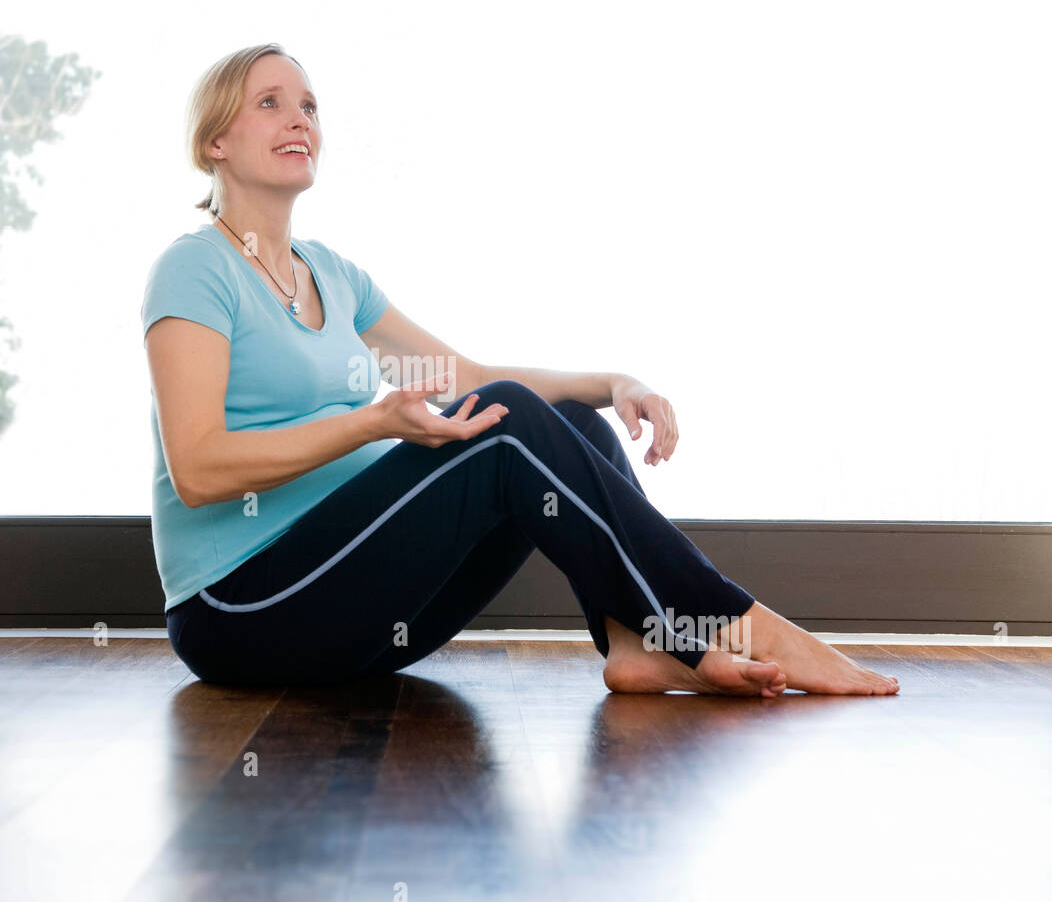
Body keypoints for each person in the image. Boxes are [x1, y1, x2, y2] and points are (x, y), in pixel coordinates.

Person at [142, 43, 899, 697]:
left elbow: (462, 375)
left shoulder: (333, 275)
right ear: (214, 141)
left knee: (558, 419)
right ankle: (733, 622)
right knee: (506, 427)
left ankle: (636, 642)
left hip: (363, 615)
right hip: (244, 612)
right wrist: (369, 423)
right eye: (270, 103)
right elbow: (200, 470)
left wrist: (610, 383)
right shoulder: (195, 270)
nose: (300, 119)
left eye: (308, 104)